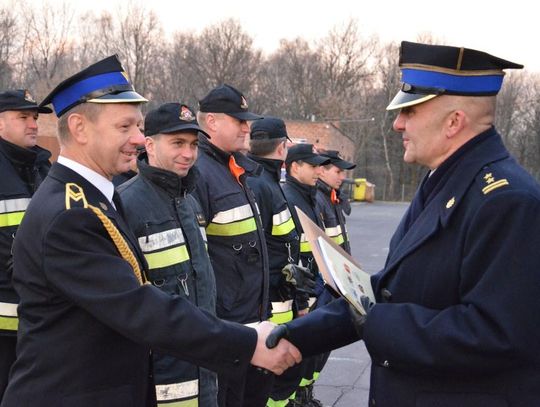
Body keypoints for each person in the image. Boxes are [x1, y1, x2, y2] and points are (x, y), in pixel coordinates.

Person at [1, 55, 301, 407]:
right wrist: (247, 342)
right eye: (125, 127)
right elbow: (140, 308)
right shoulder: (71, 214)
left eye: (139, 127)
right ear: (80, 128)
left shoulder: (93, 198)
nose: (139, 139)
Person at [267, 41, 540, 407]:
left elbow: (497, 333)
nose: (397, 124)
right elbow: (387, 288)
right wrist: (296, 335)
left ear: (453, 122)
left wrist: (378, 324)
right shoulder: (443, 181)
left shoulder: (508, 201)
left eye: (409, 111)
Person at [117, 102, 220, 406]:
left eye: (193, 144)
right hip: (159, 376)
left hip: (204, 365)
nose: (188, 154)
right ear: (149, 144)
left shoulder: (189, 202)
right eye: (177, 143)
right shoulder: (125, 204)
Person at [194, 84, 273, 406]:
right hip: (225, 327)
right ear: (211, 122)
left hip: (246, 322)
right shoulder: (199, 172)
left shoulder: (232, 168)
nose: (247, 127)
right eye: (238, 120)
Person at [246, 117, 316, 406]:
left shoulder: (268, 183)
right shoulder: (262, 185)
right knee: (270, 381)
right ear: (284, 148)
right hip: (271, 305)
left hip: (281, 300)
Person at [0, 89, 52, 399]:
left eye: (34, 117)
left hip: (39, 324)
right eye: (23, 117)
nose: (33, 124)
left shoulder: (44, 169)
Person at [281, 143, 331, 406]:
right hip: (301, 293)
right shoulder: (289, 197)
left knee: (313, 351)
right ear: (295, 167)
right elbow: (289, 254)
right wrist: (300, 301)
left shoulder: (310, 196)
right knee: (296, 354)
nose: (318, 171)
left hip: (315, 288)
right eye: (312, 166)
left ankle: (303, 395)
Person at [316, 150, 356, 254]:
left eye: (343, 172)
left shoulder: (333, 195)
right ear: (322, 171)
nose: (343, 177)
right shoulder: (317, 199)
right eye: (338, 172)